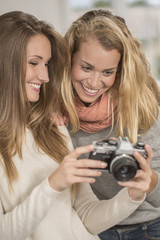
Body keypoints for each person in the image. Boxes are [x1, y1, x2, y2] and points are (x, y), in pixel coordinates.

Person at [0, 10, 150, 240]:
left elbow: (86, 215)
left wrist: (132, 195)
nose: (45, 76)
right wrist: (52, 185)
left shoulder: (52, 128)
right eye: (33, 63)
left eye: (47, 64)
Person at [53, 9, 160, 240]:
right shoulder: (55, 110)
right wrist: (51, 106)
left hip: (148, 226)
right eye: (86, 67)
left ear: (120, 71)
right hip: (92, 229)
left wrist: (148, 179)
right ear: (68, 59)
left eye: (107, 72)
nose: (93, 82)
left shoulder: (141, 109)